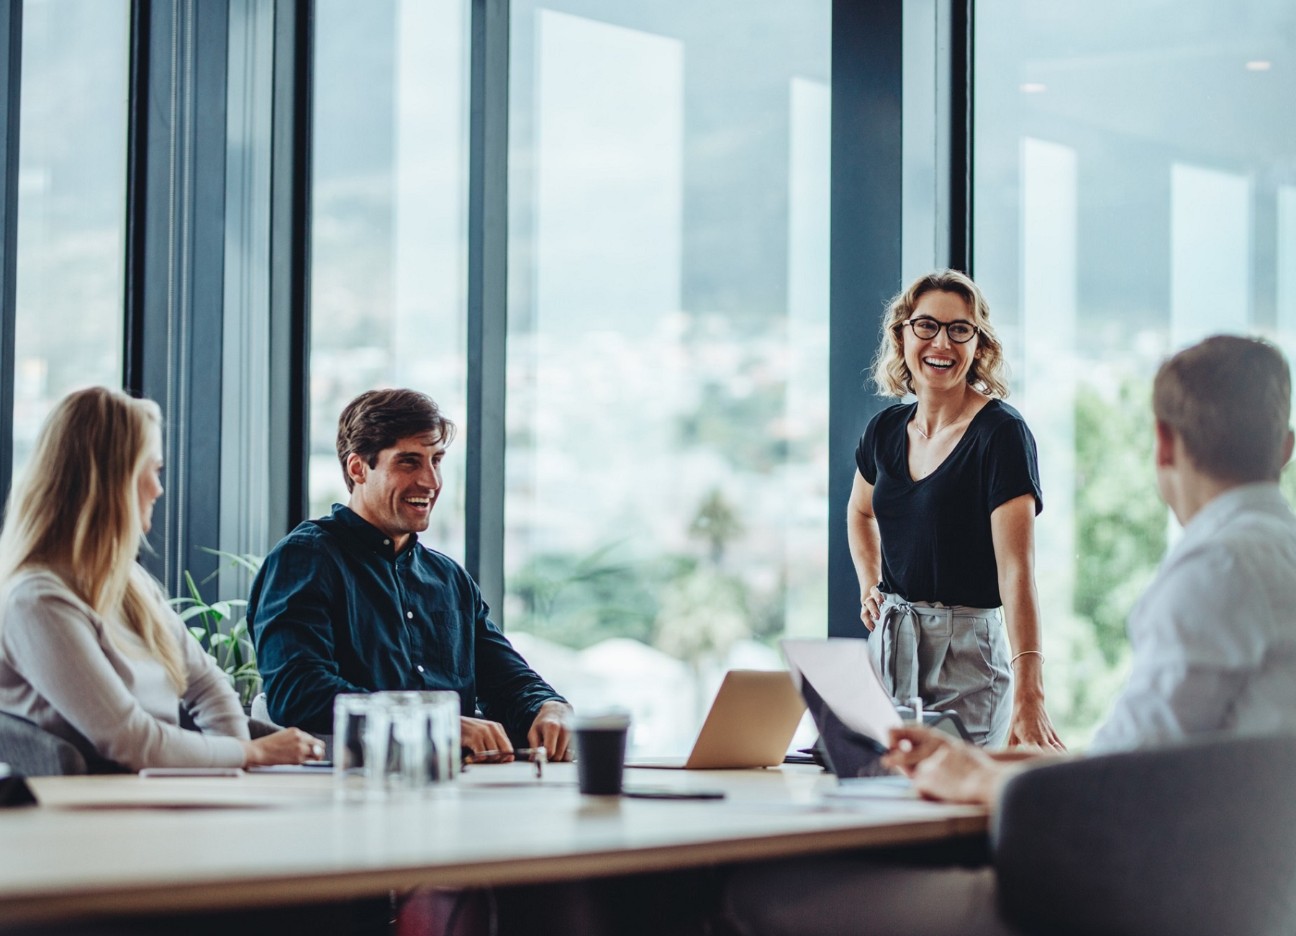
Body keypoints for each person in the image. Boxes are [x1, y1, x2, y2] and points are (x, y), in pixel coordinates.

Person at [724, 334, 1296, 936]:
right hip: (1242, 901)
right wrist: (977, 758)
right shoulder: (1275, 556)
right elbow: (1150, 758)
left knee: (764, 893)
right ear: (1285, 448)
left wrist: (975, 776)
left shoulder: (1217, 569)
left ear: (1164, 444)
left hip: (1122, 903)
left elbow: (1117, 791)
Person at [0, 387, 322, 772]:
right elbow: (131, 741)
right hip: (95, 802)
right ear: (111, 482)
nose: (159, 489)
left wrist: (233, 768)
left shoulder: (128, 582)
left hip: (155, 789)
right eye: (152, 471)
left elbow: (206, 684)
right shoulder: (37, 602)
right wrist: (250, 753)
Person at [249, 388, 573, 760]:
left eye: (436, 461)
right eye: (408, 462)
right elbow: (299, 692)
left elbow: (507, 680)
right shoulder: (305, 559)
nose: (431, 482)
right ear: (358, 468)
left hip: (457, 783)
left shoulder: (449, 578)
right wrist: (433, 722)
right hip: (347, 784)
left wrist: (548, 706)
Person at [850, 269, 1061, 749]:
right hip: (889, 646)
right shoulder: (884, 430)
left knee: (956, 793)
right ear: (902, 335)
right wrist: (869, 583)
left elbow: (1016, 572)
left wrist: (1031, 692)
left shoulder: (1001, 434)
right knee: (883, 787)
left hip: (967, 657)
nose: (941, 342)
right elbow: (860, 513)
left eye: (959, 329)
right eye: (926, 325)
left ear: (978, 345)